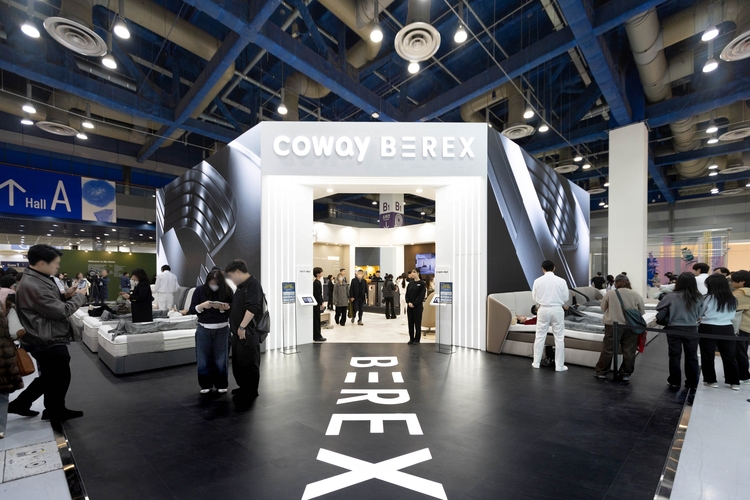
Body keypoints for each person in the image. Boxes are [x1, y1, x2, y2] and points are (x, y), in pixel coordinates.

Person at [9, 244, 86, 422]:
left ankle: (50, 409)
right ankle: (35, 406)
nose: (58, 266)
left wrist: (66, 296)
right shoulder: (35, 284)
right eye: (55, 263)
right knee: (57, 375)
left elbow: (46, 304)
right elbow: (61, 311)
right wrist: (80, 297)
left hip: (45, 335)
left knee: (52, 376)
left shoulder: (36, 279)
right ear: (42, 263)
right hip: (45, 338)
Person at [225, 259, 264, 402]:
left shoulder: (253, 284)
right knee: (239, 362)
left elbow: (252, 308)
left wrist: (242, 327)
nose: (231, 279)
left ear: (237, 272)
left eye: (231, 276)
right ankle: (243, 387)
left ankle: (251, 390)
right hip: (238, 332)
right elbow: (240, 306)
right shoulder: (241, 287)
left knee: (249, 362)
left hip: (248, 332)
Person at [188, 270, 232, 394]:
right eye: (211, 283)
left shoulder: (227, 291)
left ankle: (221, 384)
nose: (213, 285)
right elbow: (192, 309)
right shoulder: (199, 290)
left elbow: (233, 310)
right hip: (203, 328)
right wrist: (201, 306)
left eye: (216, 283)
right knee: (203, 358)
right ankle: (205, 384)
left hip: (222, 328)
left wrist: (224, 309)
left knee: (221, 359)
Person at [594, 275, 645, 381]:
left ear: (616, 283)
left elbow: (603, 308)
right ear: (628, 282)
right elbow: (641, 312)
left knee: (608, 349)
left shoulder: (610, 294)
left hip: (612, 326)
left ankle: (601, 372)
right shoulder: (636, 294)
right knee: (629, 350)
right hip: (630, 326)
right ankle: (625, 374)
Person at [657, 272, 702, 390]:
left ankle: (675, 381)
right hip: (691, 328)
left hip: (674, 328)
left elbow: (659, 307)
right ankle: (692, 382)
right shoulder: (698, 297)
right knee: (691, 356)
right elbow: (700, 314)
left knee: (674, 356)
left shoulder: (671, 296)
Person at [699, 274, 740, 390]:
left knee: (707, 355)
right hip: (727, 328)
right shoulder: (732, 298)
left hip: (708, 327)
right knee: (729, 355)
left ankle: (711, 380)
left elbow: (700, 313)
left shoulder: (706, 298)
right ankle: (734, 382)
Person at [531, 260, 569, 372]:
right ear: (554, 268)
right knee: (559, 338)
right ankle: (559, 366)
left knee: (539, 336)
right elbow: (565, 298)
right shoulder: (561, 281)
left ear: (542, 269)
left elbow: (534, 297)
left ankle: (536, 362)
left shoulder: (537, 281)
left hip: (543, 309)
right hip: (557, 309)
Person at [0, 301, 24, 438]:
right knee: (2, 395)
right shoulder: (6, 306)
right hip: (2, 359)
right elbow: (15, 332)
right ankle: (0, 429)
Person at [730, 270, 750, 384]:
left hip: (741, 326)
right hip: (748, 326)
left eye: (734, 281)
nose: (732, 283)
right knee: (743, 350)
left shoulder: (741, 293)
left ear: (742, 282)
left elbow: (730, 306)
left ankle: (743, 375)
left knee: (739, 351)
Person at [405, 269, 426, 345]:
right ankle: (411, 338)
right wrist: (408, 302)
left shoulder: (422, 283)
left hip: (417, 307)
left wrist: (414, 303)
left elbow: (421, 296)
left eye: (414, 272)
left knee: (417, 323)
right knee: (410, 323)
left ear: (418, 273)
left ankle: (417, 339)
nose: (412, 274)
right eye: (412, 272)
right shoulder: (410, 283)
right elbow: (407, 294)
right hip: (410, 306)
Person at [312, 267, 327, 342]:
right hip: (316, 304)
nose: (322, 273)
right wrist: (321, 302)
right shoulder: (316, 283)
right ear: (318, 274)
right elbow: (318, 294)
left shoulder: (317, 282)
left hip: (317, 303)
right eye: (321, 272)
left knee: (317, 319)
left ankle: (317, 335)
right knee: (316, 319)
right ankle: (317, 336)